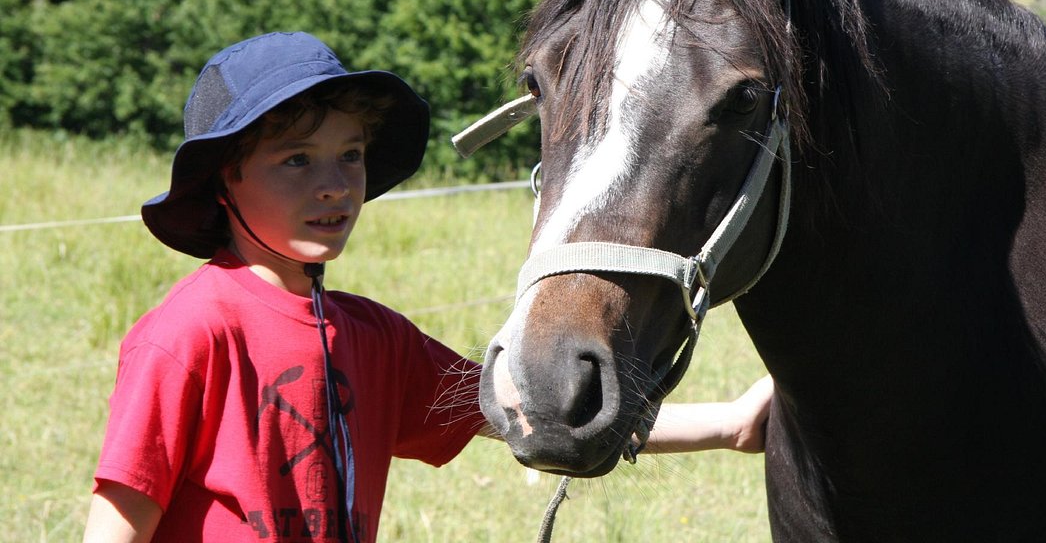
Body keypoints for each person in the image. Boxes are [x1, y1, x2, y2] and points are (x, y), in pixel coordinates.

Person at [83, 31, 773, 543]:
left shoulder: (374, 339)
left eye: (349, 156)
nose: (333, 184)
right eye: (296, 160)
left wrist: (726, 423)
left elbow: (528, 407)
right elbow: (117, 527)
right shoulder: (187, 335)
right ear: (224, 179)